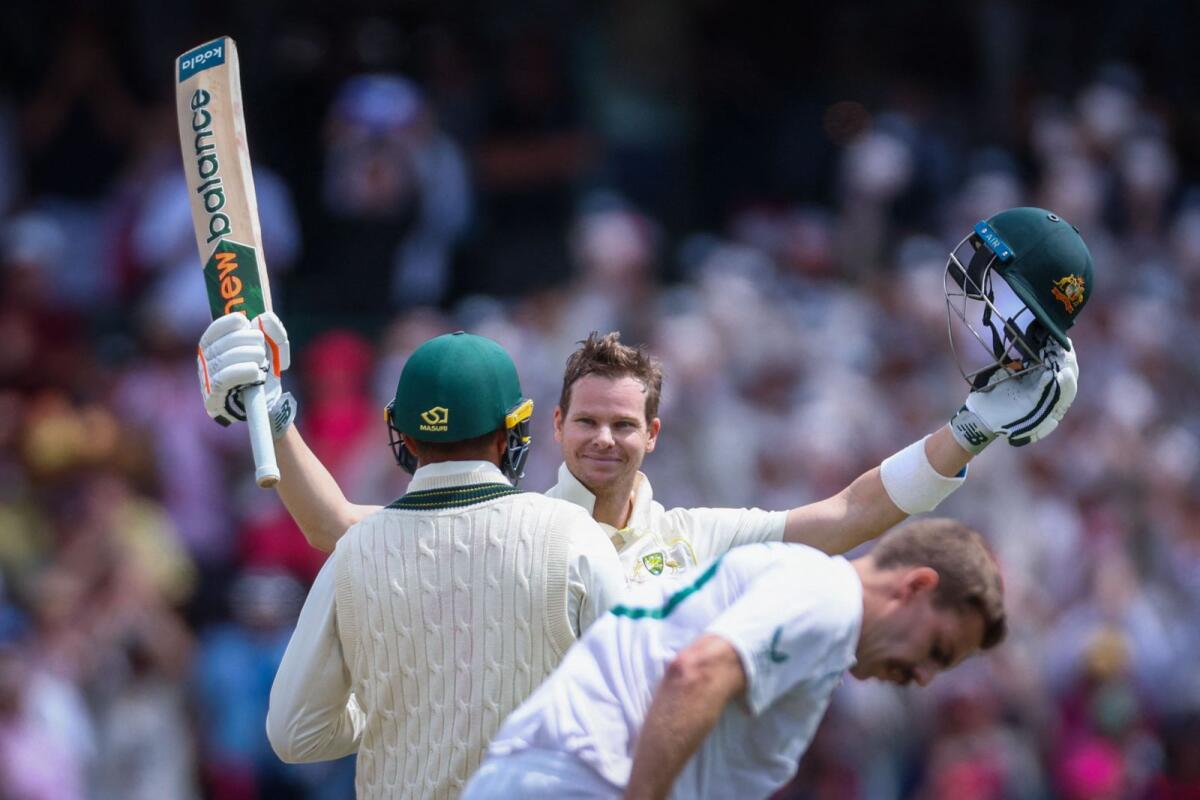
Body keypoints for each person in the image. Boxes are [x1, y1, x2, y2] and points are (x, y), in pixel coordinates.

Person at [196, 207, 1091, 586]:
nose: (603, 441)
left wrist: (968, 431)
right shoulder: (508, 529)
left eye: (623, 425)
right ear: (552, 428)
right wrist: (274, 412)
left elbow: (850, 515)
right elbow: (343, 531)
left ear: (654, 434)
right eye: (586, 421)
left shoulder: (693, 540)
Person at [260, 331, 625, 799]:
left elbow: (295, 734)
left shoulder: (354, 551)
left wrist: (396, 707)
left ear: (404, 436)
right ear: (511, 429)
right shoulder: (574, 534)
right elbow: (628, 708)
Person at [462, 518, 1006, 799]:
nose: (924, 677)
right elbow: (696, 672)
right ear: (915, 586)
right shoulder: (829, 596)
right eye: (937, 649)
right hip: (583, 781)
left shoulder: (809, 591)